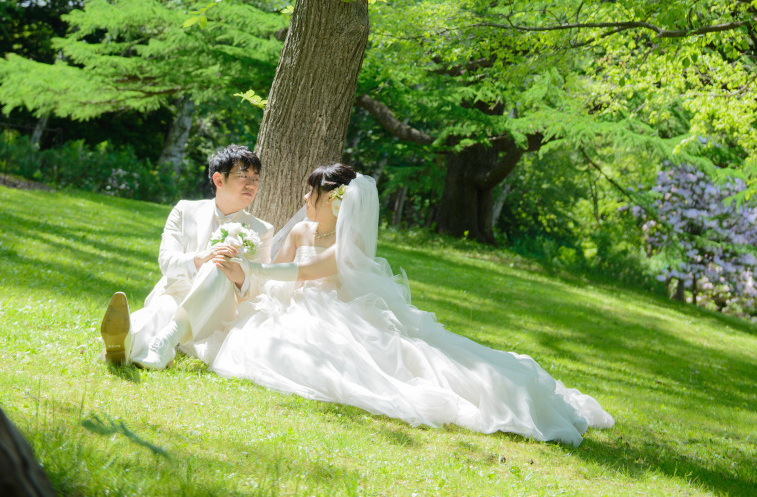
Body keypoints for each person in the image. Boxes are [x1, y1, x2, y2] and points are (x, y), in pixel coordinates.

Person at [210, 164, 615, 445]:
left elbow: (302, 273)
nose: (304, 198)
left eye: (311, 192)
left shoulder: (347, 248)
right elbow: (276, 271)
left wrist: (250, 267)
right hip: (295, 305)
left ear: (333, 200)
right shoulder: (301, 229)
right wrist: (246, 273)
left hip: (337, 311)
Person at [100, 144, 273, 370]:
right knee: (161, 310)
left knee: (219, 264)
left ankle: (164, 341)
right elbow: (167, 262)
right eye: (243, 176)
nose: (251, 184)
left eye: (255, 178)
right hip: (177, 293)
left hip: (217, 310)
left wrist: (237, 275)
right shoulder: (184, 211)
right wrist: (200, 258)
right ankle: (124, 343)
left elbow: (260, 287)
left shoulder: (261, 231)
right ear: (219, 180)